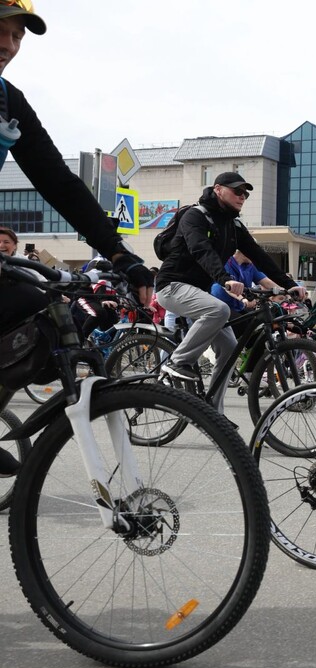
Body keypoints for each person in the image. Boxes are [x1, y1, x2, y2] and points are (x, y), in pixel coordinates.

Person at [0, 4, 154, 479]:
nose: (9, 45)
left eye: (17, 36)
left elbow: (58, 182)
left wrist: (120, 253)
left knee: (42, 307)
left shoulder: (8, 101)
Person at [154, 172, 306, 414]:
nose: (242, 196)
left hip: (198, 293)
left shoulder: (233, 225)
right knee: (219, 309)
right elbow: (200, 250)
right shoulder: (195, 215)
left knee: (229, 347)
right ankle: (177, 361)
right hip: (172, 286)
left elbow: (259, 256)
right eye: (237, 191)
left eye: (245, 193)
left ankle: (213, 413)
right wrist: (225, 279)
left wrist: (287, 284)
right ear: (218, 189)